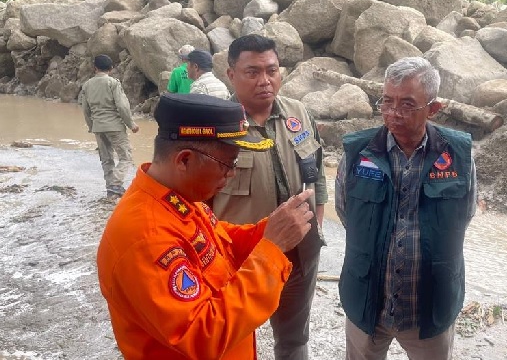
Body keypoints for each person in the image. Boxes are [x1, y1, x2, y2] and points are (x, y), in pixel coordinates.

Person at [97, 92, 316, 360]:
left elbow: (219, 245)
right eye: (228, 163)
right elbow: (203, 335)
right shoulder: (145, 237)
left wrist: (269, 229)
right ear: (184, 160)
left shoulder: (180, 197)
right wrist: (271, 249)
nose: (232, 173)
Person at [335, 56, 477, 359]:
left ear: (433, 108)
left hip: (429, 307)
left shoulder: (459, 155)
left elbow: (465, 215)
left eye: (407, 104)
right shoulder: (358, 152)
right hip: (367, 303)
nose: (393, 113)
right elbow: (346, 212)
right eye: (387, 102)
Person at [211, 34, 327, 360]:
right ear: (230, 74)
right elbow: (197, 200)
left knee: (293, 342)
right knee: (230, 341)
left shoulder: (299, 113)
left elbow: (316, 172)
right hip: (241, 262)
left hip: (300, 259)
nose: (265, 81)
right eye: (252, 72)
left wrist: (315, 227)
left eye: (272, 70)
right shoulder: (217, 127)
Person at [81, 54, 139, 198]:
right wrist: (131, 124)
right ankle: (115, 184)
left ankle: (110, 188)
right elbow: (122, 106)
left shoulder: (87, 85)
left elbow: (86, 109)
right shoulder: (113, 83)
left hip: (98, 127)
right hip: (115, 126)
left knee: (106, 158)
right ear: (111, 68)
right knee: (125, 157)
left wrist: (91, 126)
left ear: (95, 68)